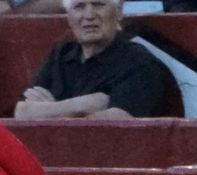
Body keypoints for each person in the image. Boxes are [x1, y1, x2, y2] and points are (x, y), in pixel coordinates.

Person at [13, 0, 164, 120]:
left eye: (98, 4)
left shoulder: (138, 61)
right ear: (69, 17)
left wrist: (49, 111)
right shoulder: (60, 55)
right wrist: (86, 104)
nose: (89, 15)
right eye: (79, 6)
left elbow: (115, 122)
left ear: (118, 13)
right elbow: (22, 112)